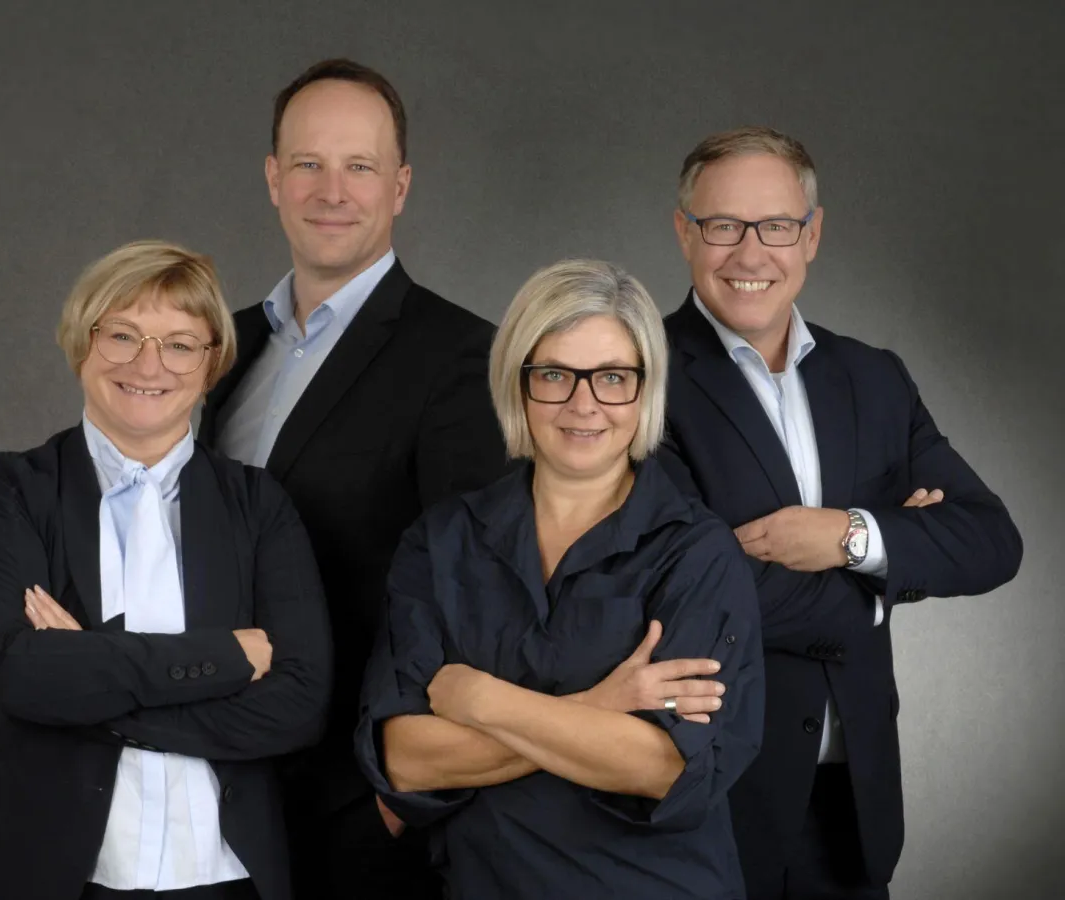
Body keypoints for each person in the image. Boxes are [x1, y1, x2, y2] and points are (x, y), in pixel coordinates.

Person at [663, 126, 1024, 899]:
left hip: (853, 805)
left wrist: (850, 536)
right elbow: (692, 590)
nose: (751, 254)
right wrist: (892, 568)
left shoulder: (874, 379)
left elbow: (992, 540)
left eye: (778, 226)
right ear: (684, 231)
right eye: (723, 226)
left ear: (813, 235)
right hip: (712, 797)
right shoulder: (638, 379)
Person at [357, 259, 764, 899]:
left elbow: (664, 766)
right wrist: (599, 707)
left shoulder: (696, 553)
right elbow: (407, 757)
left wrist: (480, 700)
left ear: (645, 389)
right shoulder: (443, 540)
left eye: (611, 378)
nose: (584, 405)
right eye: (554, 374)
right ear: (517, 383)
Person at [198, 59, 508, 899]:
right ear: (272, 178)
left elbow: (477, 596)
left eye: (359, 166)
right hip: (210, 783)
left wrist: (401, 800)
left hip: (355, 803)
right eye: (308, 164)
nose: (331, 190)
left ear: (399, 186)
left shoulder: (463, 358)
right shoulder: (215, 350)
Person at [0, 240, 333, 900]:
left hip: (227, 877)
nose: (148, 364)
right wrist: (223, 658)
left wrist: (91, 678)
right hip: (49, 876)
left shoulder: (258, 504)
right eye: (122, 335)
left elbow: (297, 705)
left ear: (210, 364)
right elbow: (16, 672)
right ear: (82, 343)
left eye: (181, 344)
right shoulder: (13, 490)